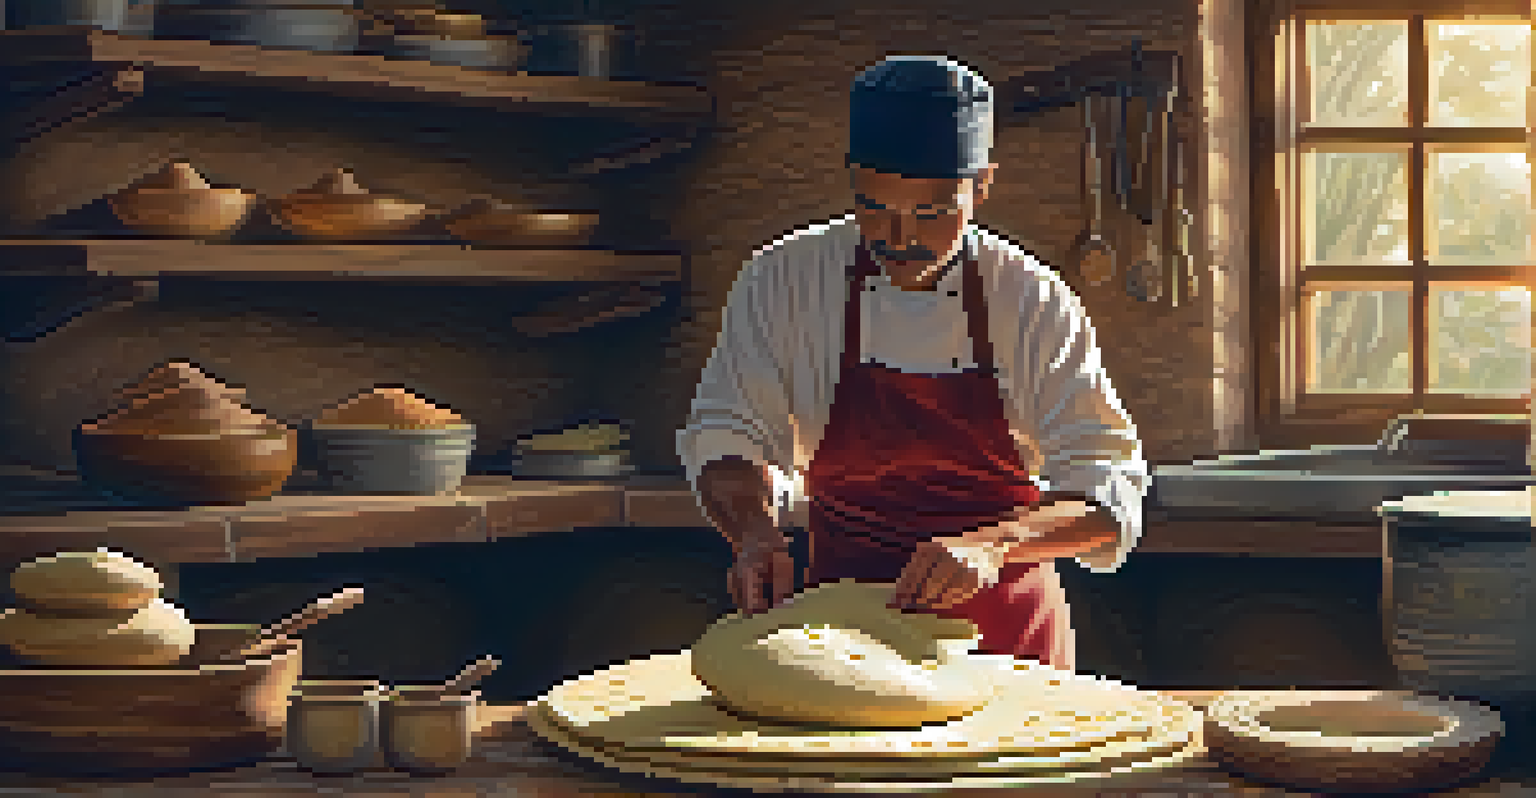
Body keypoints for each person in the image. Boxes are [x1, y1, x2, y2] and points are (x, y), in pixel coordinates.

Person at [677, 55, 1147, 670]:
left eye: (932, 213)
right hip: (840, 638)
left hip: (1007, 637)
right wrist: (754, 534)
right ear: (850, 178)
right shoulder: (784, 279)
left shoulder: (1030, 298)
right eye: (877, 208)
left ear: (983, 185)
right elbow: (727, 435)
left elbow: (1109, 489)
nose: (901, 238)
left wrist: (993, 545)